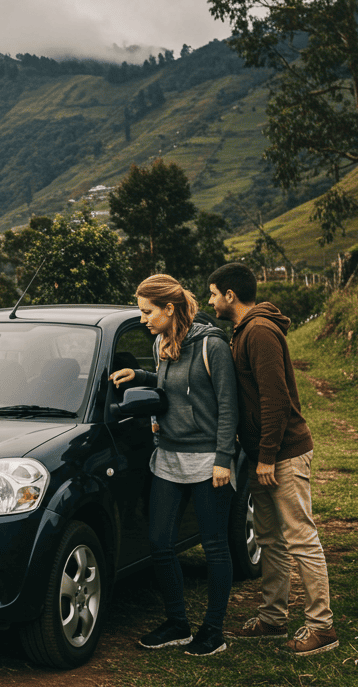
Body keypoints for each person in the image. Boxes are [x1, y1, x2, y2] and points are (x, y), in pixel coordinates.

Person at [207, 262, 338, 656]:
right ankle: (272, 617)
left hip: (282, 454)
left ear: (230, 295)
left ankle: (322, 627)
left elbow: (276, 399)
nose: (211, 300)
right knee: (269, 538)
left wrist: (266, 456)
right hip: (261, 453)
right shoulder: (244, 331)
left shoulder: (260, 332)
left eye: (213, 294)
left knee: (301, 538)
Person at [111, 274, 238, 657]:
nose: (144, 318)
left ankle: (213, 630)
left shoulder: (212, 345)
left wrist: (223, 459)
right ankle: (177, 623)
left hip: (207, 460)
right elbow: (171, 385)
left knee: (215, 546)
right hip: (167, 456)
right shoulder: (160, 342)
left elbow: (228, 403)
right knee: (159, 542)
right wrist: (143, 375)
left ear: (169, 309)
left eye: (148, 312)